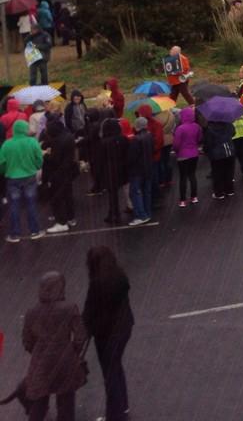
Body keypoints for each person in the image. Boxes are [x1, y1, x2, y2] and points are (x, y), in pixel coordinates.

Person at [21, 271, 87, 421]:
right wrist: (73, 351)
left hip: (41, 363)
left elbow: (27, 341)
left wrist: (38, 352)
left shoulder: (32, 312)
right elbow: (80, 335)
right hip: (65, 361)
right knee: (66, 403)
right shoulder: (69, 308)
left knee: (39, 402)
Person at [83, 246, 133, 421]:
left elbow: (89, 312)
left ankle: (116, 414)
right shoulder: (120, 277)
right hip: (124, 329)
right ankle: (122, 407)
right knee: (116, 368)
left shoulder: (96, 283)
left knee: (110, 374)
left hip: (106, 335)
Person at [1, 119, 44, 242]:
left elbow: (2, 162)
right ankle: (34, 231)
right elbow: (39, 158)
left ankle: (14, 234)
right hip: (30, 177)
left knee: (14, 205)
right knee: (31, 204)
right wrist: (36, 167)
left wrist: (5, 172)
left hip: (12, 178)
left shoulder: (7, 144)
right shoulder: (32, 142)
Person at [42, 117, 77, 234]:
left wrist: (45, 155)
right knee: (67, 195)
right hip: (68, 171)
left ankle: (61, 222)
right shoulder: (68, 137)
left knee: (56, 198)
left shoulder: (57, 141)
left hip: (58, 172)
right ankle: (70, 218)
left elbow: (54, 159)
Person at [126, 118, 153, 225]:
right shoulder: (149, 135)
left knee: (135, 192)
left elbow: (131, 158)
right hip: (148, 168)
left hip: (137, 170)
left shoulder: (136, 140)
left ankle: (141, 215)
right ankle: (147, 212)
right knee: (146, 191)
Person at [172, 107, 202, 207]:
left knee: (183, 177)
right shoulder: (197, 126)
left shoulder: (180, 128)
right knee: (192, 175)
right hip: (194, 154)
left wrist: (177, 151)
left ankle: (182, 200)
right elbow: (199, 139)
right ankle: (194, 197)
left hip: (182, 155)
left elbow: (176, 144)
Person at [203, 119, 236, 200]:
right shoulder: (228, 124)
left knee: (217, 174)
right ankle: (229, 190)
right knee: (229, 172)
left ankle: (219, 193)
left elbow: (208, 143)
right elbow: (233, 133)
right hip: (229, 151)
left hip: (216, 154)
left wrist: (206, 151)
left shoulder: (209, 128)